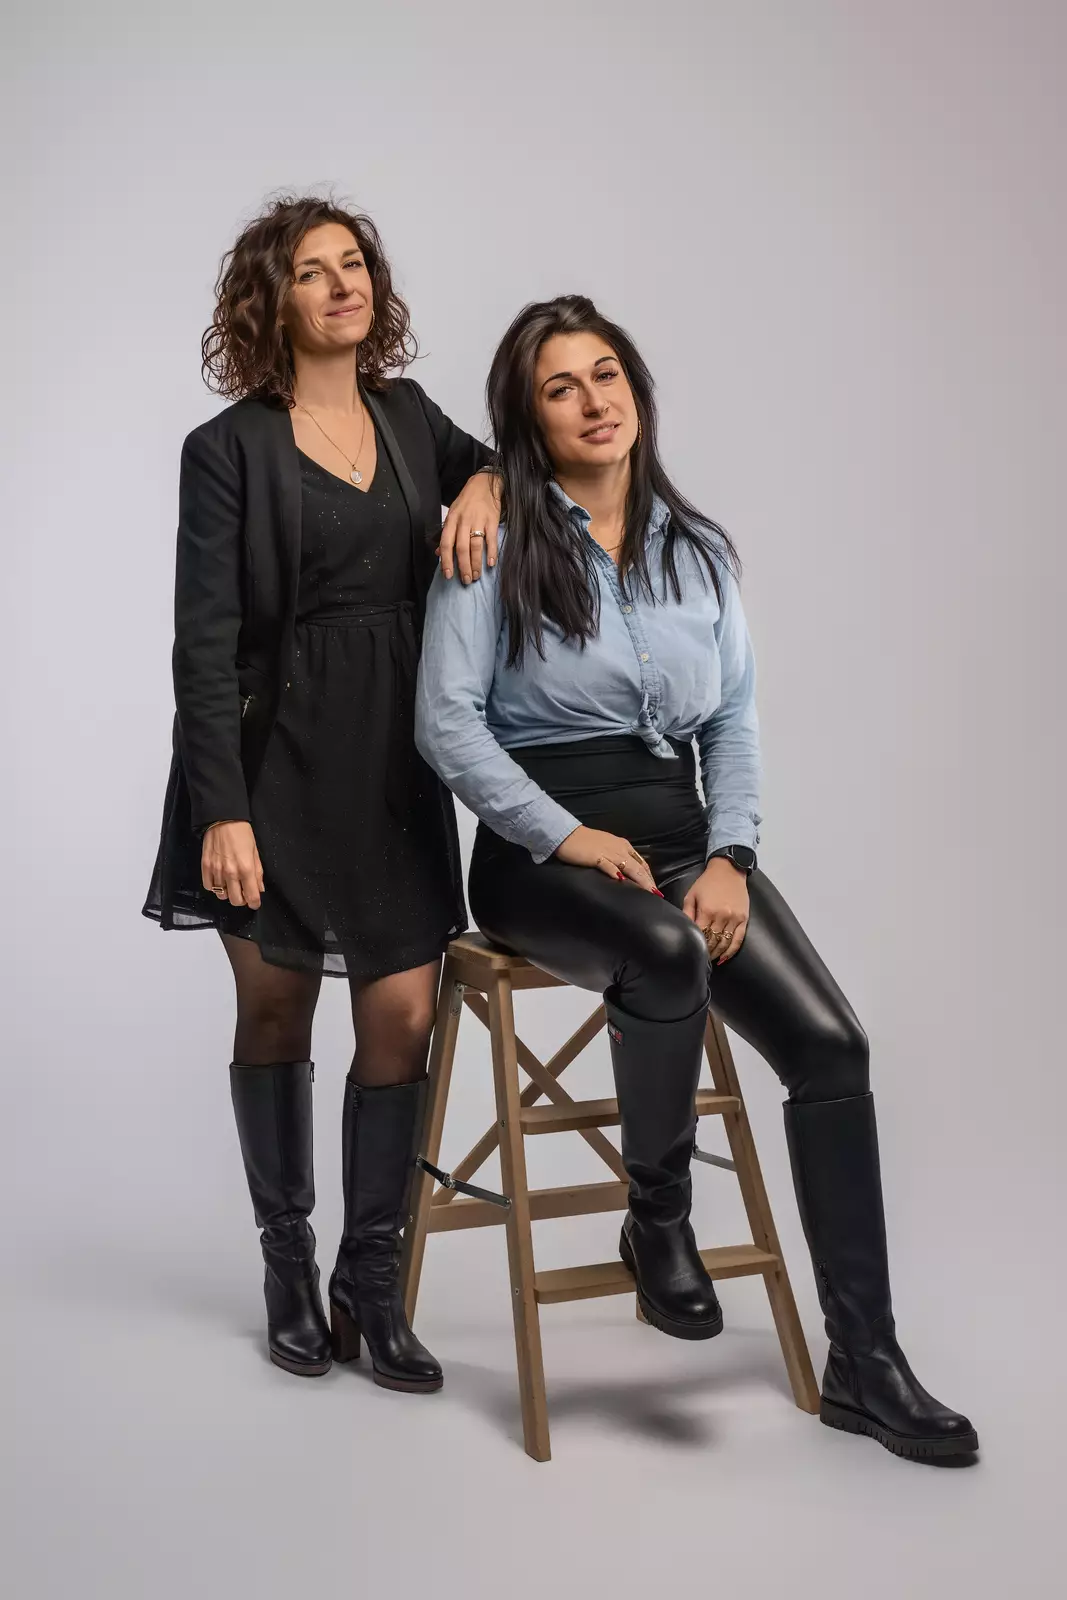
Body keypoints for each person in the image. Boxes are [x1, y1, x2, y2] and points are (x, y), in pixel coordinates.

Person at [414, 294, 979, 1460]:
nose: (592, 401)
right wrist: (564, 835)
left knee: (831, 1047)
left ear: (636, 390)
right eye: (559, 387)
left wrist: (729, 855)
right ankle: (655, 1218)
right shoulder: (492, 542)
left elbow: (731, 721)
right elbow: (446, 724)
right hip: (535, 858)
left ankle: (865, 1362)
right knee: (665, 953)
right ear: (527, 418)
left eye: (605, 375)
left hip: (683, 841)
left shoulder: (696, 550)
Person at [143, 195, 501, 1392]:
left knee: (402, 1016)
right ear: (273, 298)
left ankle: (371, 1281)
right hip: (272, 766)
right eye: (313, 270)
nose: (344, 284)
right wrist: (222, 811)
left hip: (396, 761)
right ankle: (287, 1265)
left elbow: (495, 462)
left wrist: (484, 488)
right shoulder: (226, 448)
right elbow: (203, 648)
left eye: (355, 265)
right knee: (277, 1011)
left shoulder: (407, 414)